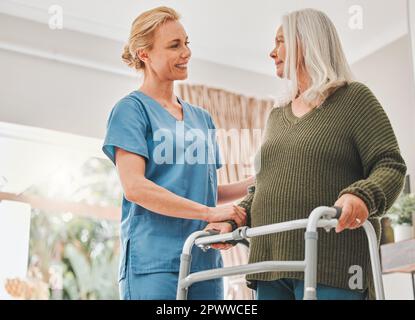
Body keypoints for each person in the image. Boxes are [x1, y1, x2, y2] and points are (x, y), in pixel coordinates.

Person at [206, 8, 407, 300]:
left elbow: (390, 165)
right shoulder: (277, 115)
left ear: (307, 42)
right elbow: (264, 185)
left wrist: (361, 195)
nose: (272, 53)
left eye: (280, 41)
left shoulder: (354, 98)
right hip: (269, 263)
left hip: (333, 262)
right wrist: (236, 217)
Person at [102, 6, 252, 300]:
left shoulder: (202, 118)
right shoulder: (131, 111)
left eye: (186, 43)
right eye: (174, 45)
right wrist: (209, 213)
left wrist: (257, 181)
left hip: (205, 260)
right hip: (154, 266)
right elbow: (135, 188)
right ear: (144, 54)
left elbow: (205, 189)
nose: (186, 52)